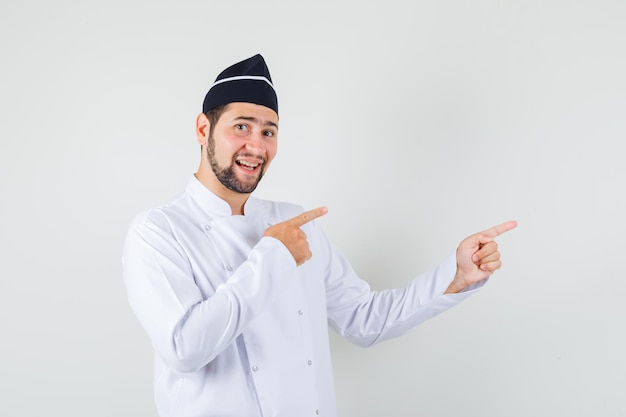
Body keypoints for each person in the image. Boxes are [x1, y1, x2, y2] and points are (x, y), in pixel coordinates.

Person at [122, 53, 517, 417]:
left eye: (269, 132)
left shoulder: (297, 223)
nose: (256, 146)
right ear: (202, 128)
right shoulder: (158, 231)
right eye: (241, 126)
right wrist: (274, 254)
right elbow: (184, 348)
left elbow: (363, 320)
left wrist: (456, 276)